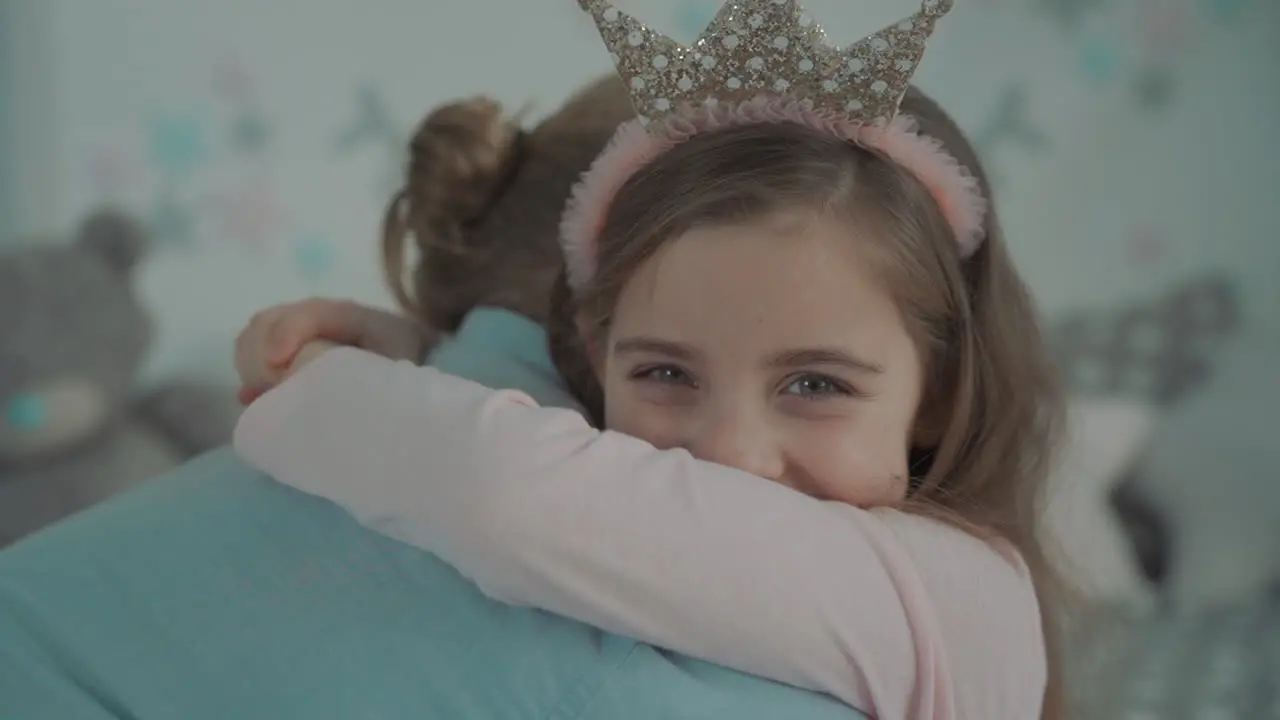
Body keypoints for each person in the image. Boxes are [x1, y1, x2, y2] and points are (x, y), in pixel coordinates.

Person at [234, 1, 1066, 718]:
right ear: (596, 360)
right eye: (666, 374)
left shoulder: (963, 597)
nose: (731, 457)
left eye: (816, 384)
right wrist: (430, 356)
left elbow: (507, 492)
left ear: (938, 389)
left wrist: (318, 388)